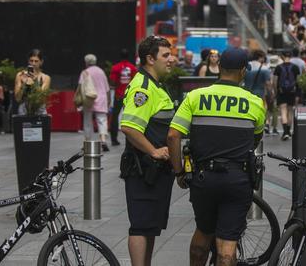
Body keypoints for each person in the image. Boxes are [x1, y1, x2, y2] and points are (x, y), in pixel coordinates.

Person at [166, 48, 265, 266]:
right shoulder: (255, 102)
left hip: (203, 178)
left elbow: (173, 136)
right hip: (237, 180)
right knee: (227, 249)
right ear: (242, 71)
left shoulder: (195, 97)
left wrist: (179, 171)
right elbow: (255, 139)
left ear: (219, 68)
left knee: (203, 232)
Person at [118, 36, 176, 266]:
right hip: (143, 170)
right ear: (150, 59)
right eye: (165, 55)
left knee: (150, 227)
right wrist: (153, 151)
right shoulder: (143, 89)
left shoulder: (155, 85)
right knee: (141, 226)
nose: (171, 59)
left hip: (156, 171)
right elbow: (129, 127)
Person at [79, 54, 111, 151]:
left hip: (89, 98)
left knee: (87, 120)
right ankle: (103, 140)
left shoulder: (85, 72)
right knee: (102, 120)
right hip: (101, 98)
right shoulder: (101, 71)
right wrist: (109, 100)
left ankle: (87, 142)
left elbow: (80, 86)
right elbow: (107, 88)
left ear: (86, 62)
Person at [110, 49, 138, 147]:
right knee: (130, 118)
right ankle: (131, 140)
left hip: (118, 95)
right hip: (129, 95)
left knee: (115, 116)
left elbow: (113, 82)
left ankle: (114, 139)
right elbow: (135, 81)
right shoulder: (132, 68)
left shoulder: (115, 68)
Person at [14, 49, 51, 115]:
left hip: (40, 111)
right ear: (28, 61)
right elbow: (18, 98)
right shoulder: (20, 75)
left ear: (41, 62)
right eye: (31, 61)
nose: (33, 63)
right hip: (24, 110)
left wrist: (35, 81)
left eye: (36, 61)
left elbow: (42, 98)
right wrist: (24, 84)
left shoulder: (45, 78)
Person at [273, 50, 300, 141]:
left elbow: (275, 81)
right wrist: (298, 94)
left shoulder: (278, 67)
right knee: (290, 112)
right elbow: (298, 81)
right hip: (292, 92)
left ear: (282, 56)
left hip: (281, 92)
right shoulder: (295, 67)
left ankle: (285, 132)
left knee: (283, 111)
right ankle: (288, 131)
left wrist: (276, 91)